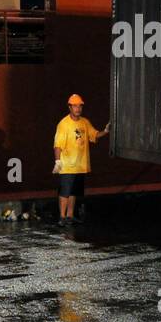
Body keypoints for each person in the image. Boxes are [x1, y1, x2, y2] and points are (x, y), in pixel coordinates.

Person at [53, 94, 109, 225]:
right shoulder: (64, 124)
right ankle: (62, 217)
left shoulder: (84, 122)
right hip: (67, 165)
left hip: (80, 165)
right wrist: (58, 162)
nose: (78, 108)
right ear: (69, 107)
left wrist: (106, 131)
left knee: (74, 192)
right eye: (75, 106)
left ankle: (70, 216)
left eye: (80, 106)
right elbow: (58, 145)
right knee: (65, 192)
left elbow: (94, 135)